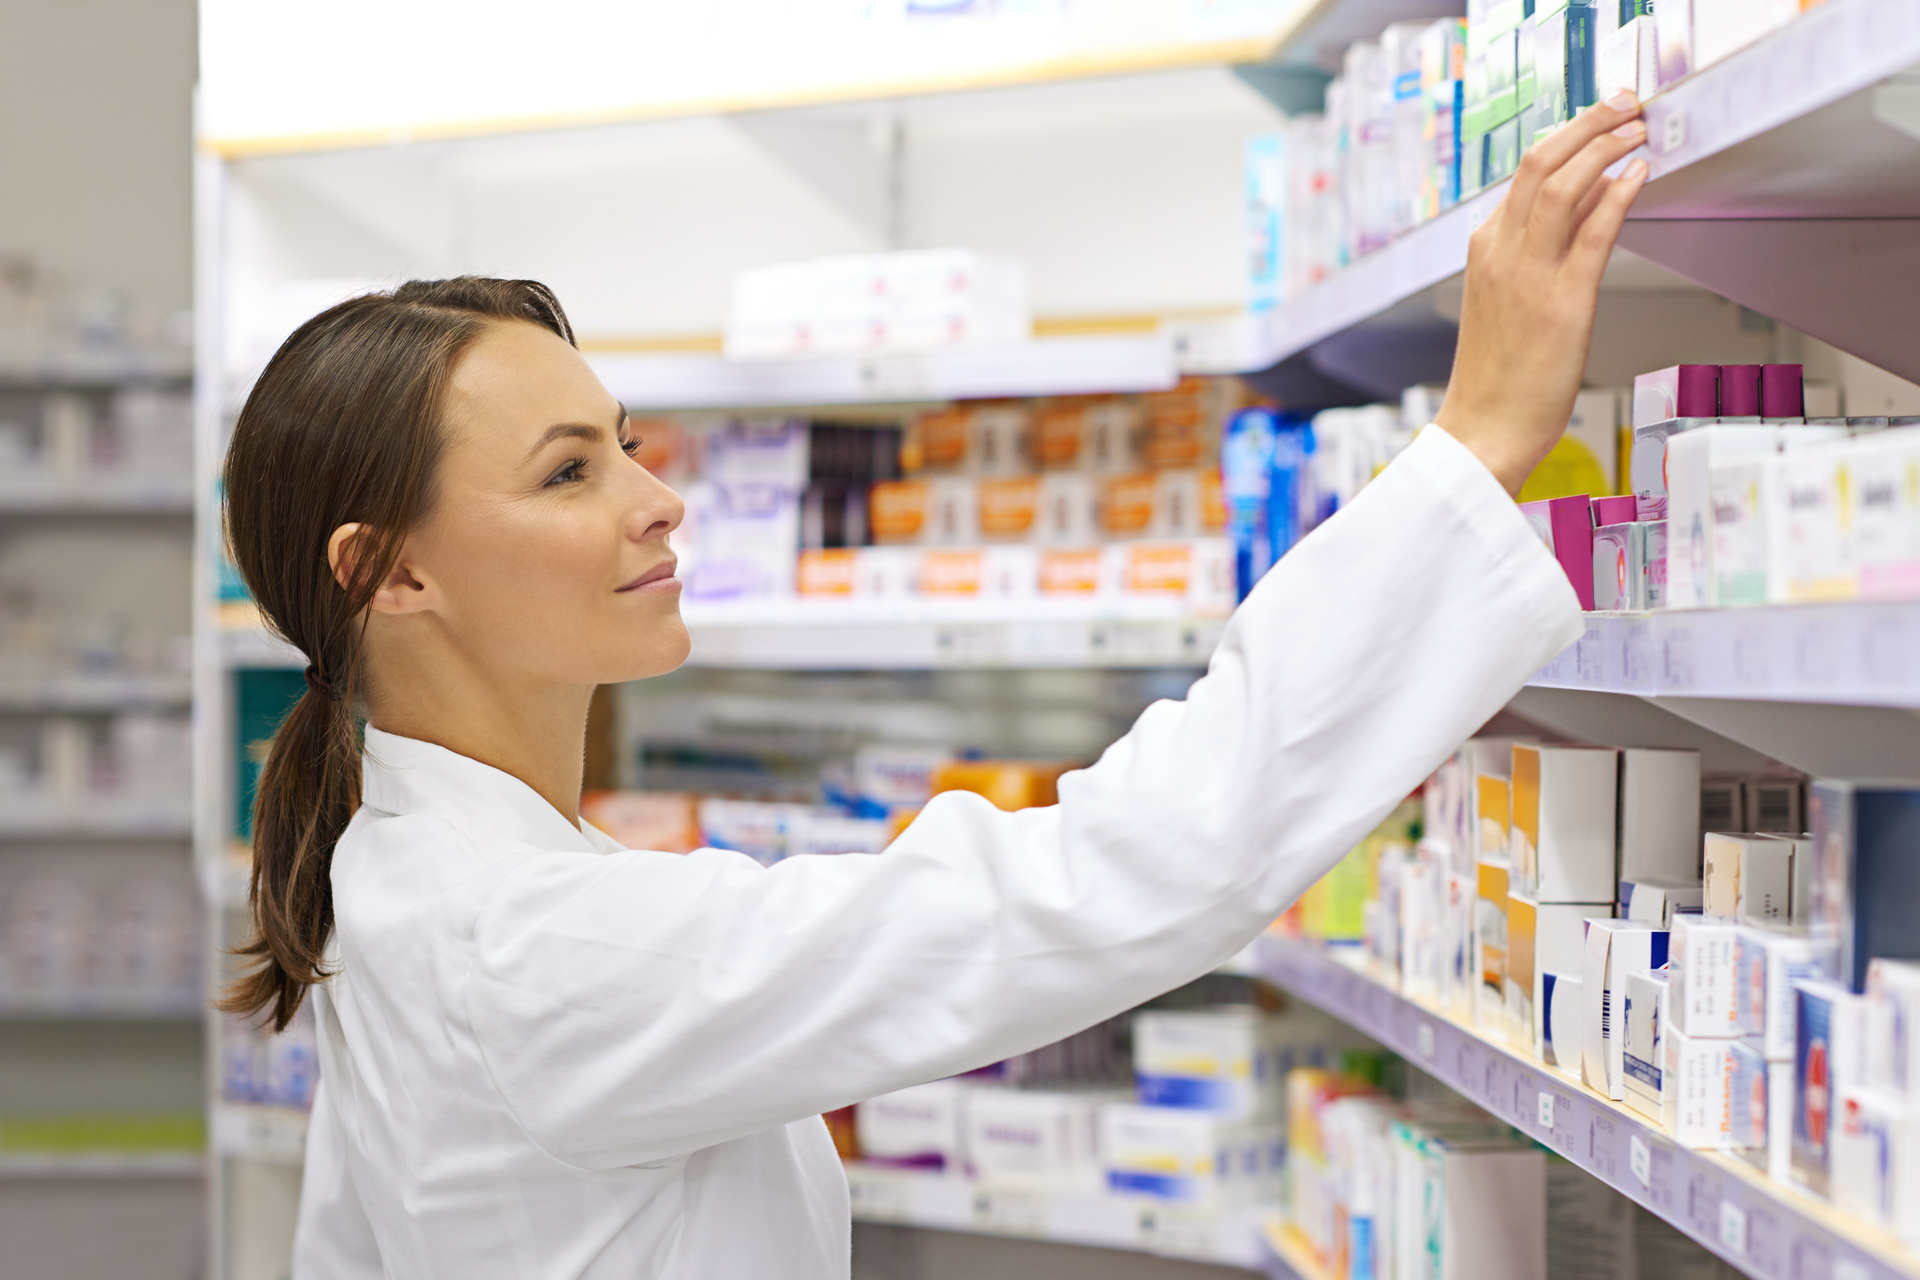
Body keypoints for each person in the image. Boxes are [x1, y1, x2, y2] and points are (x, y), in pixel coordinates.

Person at [220, 94, 1651, 1279]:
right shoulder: (532, 945)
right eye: (570, 472)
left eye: (629, 443)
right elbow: (1104, 881)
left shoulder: (410, 876)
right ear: (389, 575)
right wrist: (1476, 440)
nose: (659, 501)